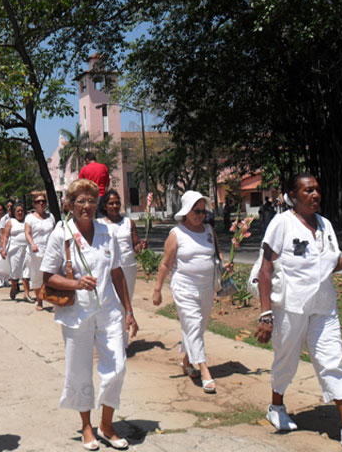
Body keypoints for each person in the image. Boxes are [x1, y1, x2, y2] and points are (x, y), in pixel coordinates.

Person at [254, 173, 342, 449]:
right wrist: (265, 314)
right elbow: (265, 270)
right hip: (290, 306)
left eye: (317, 191)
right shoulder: (282, 224)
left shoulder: (326, 225)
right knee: (286, 357)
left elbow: (329, 264)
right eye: (308, 191)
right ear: (293, 195)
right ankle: (276, 407)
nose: (315, 195)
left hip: (323, 307)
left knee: (333, 360)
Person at [40, 178, 139, 451]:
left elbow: (117, 272)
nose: (87, 206)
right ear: (70, 205)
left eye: (91, 201)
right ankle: (86, 426)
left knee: (117, 366)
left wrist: (128, 310)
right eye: (80, 201)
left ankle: (106, 425)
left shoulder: (107, 231)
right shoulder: (62, 234)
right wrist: (75, 284)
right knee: (79, 370)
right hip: (77, 313)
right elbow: (48, 276)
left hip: (109, 310)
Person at [153, 190, 231, 394]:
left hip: (206, 287)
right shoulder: (176, 234)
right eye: (196, 211)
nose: (200, 215)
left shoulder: (208, 230)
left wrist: (225, 265)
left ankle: (187, 361)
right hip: (184, 287)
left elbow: (218, 252)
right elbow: (165, 265)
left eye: (203, 212)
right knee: (194, 325)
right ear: (186, 211)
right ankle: (204, 369)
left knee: (199, 326)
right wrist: (157, 289)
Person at [97, 189, 147, 345]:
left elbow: (135, 245)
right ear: (105, 206)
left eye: (117, 203)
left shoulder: (128, 222)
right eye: (111, 203)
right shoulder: (99, 225)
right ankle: (108, 337)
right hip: (108, 267)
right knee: (109, 302)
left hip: (127, 266)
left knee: (124, 302)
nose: (114, 206)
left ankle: (122, 341)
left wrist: (141, 247)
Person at [24, 191, 56, 311]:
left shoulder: (50, 217)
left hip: (49, 251)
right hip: (36, 252)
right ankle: (39, 301)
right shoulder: (30, 218)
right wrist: (32, 244)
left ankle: (53, 301)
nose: (41, 203)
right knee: (37, 277)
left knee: (51, 276)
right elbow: (27, 233)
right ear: (34, 204)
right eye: (38, 201)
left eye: (43, 201)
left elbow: (53, 233)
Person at [0, 202, 30, 301]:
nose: (20, 213)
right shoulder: (11, 222)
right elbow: (6, 236)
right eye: (18, 211)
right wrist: (3, 249)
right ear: (14, 212)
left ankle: (26, 294)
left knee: (26, 271)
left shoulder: (28, 221)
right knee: (15, 271)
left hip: (26, 249)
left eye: (22, 211)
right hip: (14, 250)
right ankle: (14, 286)